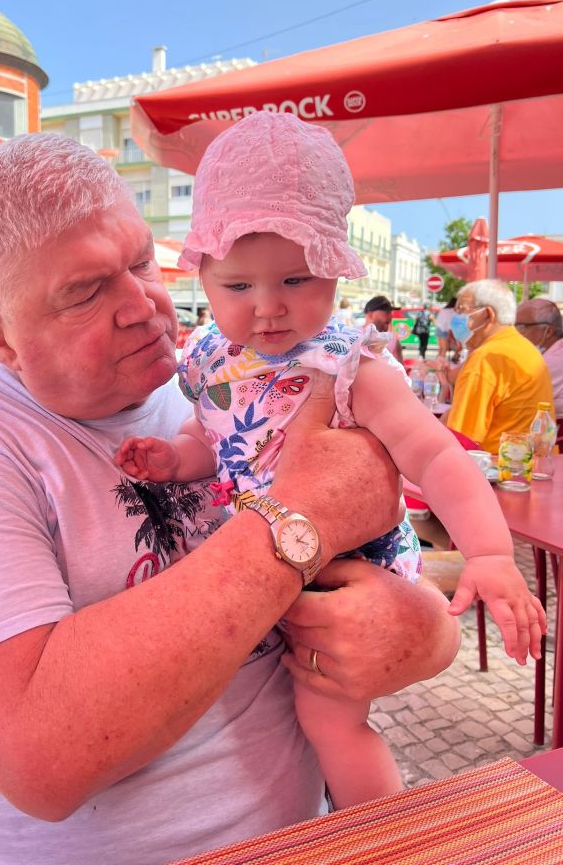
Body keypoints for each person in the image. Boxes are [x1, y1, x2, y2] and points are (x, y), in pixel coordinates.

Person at [0, 133, 461, 865]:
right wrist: (302, 520)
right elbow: (44, 758)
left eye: (140, 262)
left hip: (310, 833)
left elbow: (395, 577)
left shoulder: (218, 386)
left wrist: (426, 633)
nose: (144, 305)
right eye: (85, 291)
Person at [115, 113, 544, 811]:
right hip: (256, 570)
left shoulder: (352, 368)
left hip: (346, 575)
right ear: (203, 275)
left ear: (337, 270)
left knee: (331, 721)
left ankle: (375, 834)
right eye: (238, 287)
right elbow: (214, 439)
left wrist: (490, 555)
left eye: (296, 278)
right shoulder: (209, 360)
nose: (269, 308)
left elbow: (437, 458)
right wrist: (172, 458)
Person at [445, 280, 555, 453]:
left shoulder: (486, 358)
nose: (455, 318)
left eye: (461, 310)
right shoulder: (525, 347)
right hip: (528, 463)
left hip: (496, 468)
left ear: (488, 314)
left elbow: (461, 439)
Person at [515, 298, 563, 415]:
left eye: (521, 327)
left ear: (548, 331)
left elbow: (518, 401)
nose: (516, 333)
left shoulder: (551, 361)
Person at [363, 295, 404, 363]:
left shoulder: (393, 339)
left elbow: (401, 368)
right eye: (387, 312)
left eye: (391, 313)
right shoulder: (354, 336)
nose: (390, 317)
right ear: (370, 314)